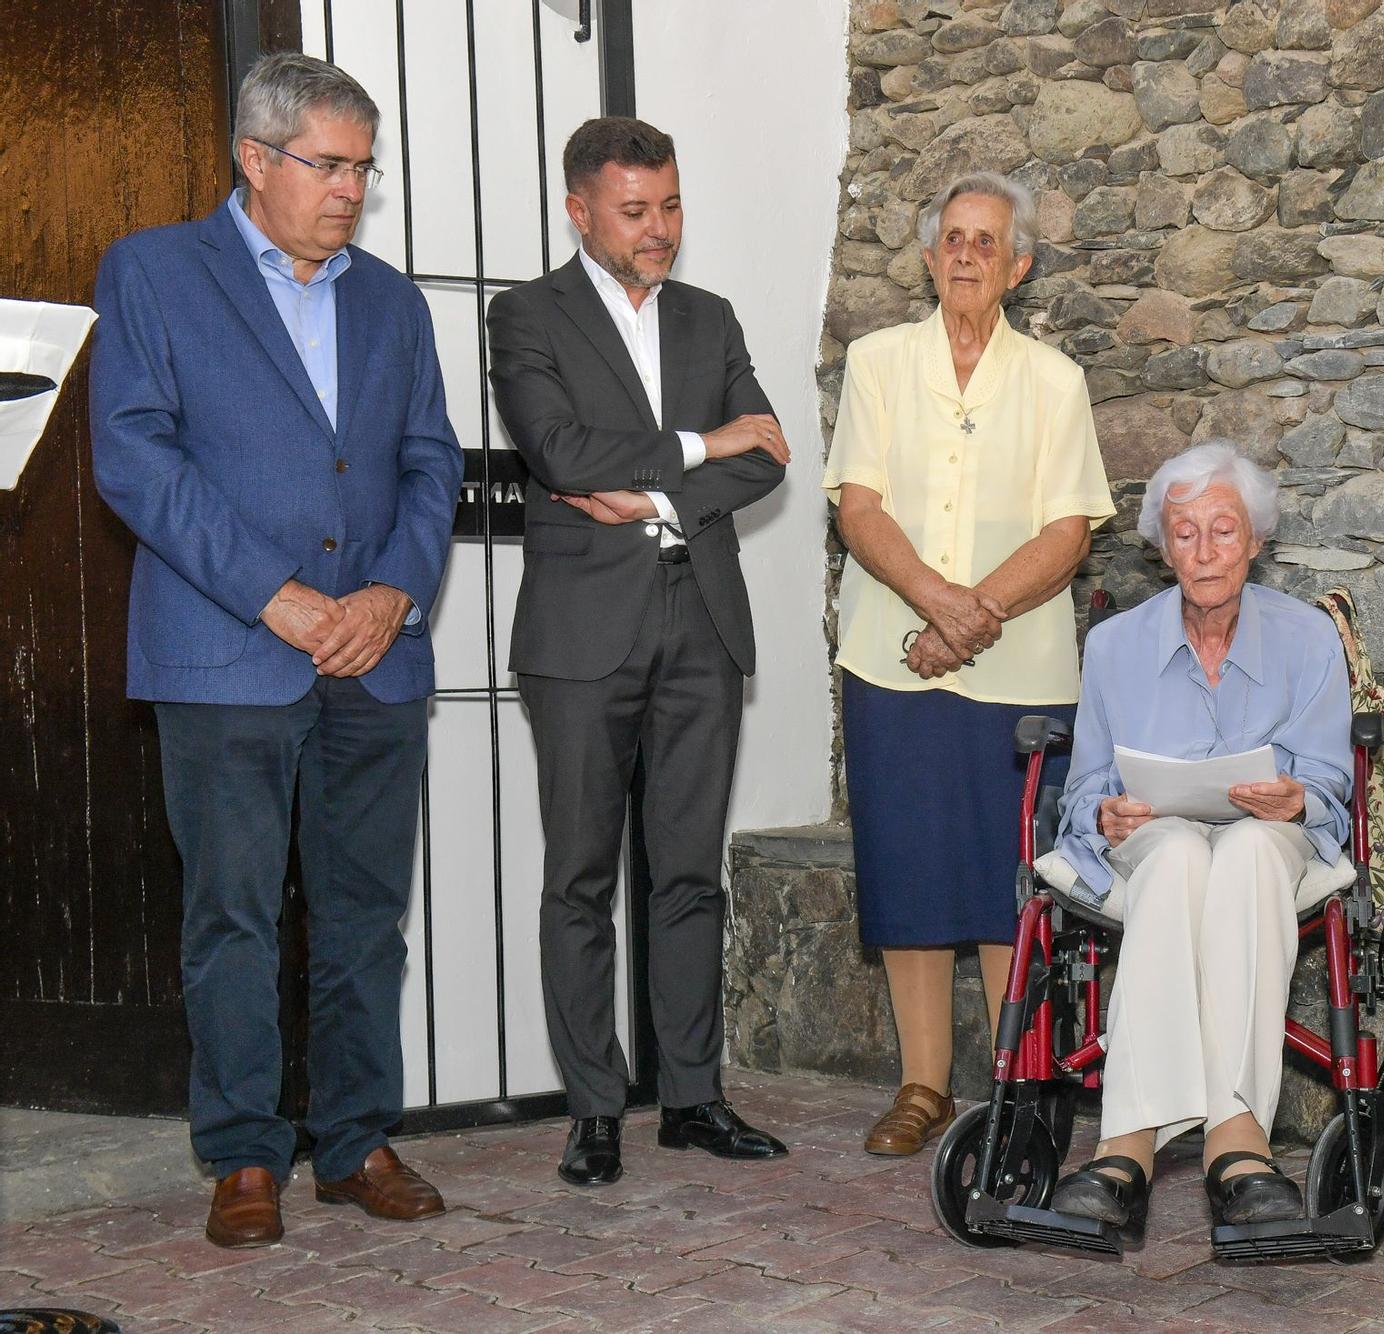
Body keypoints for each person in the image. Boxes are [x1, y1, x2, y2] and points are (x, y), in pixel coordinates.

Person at [89, 53, 462, 1248]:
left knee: (365, 917)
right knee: (234, 917)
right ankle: (245, 1152)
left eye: (363, 166)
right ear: (257, 160)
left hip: (376, 656)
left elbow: (430, 461)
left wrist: (395, 589)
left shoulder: (393, 301)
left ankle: (353, 1141)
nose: (352, 188)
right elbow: (136, 457)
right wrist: (281, 599)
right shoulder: (153, 271)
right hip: (227, 654)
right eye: (330, 164)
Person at [486, 117, 790, 1186]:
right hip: (580, 633)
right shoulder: (525, 314)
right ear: (579, 210)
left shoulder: (709, 318)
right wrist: (705, 445)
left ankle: (694, 1097)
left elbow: (774, 458)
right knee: (580, 876)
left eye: (668, 205)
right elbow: (558, 448)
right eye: (633, 210)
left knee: (689, 874)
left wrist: (653, 488)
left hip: (700, 618)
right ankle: (595, 1109)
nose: (657, 229)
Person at [822, 171, 1113, 1155]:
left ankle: (1015, 1081)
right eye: (951, 237)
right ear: (926, 253)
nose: (964, 254)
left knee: (1009, 880)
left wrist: (973, 612)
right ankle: (920, 1087)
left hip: (1017, 670)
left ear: (1018, 266)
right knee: (907, 873)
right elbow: (857, 506)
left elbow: (1068, 527)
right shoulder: (876, 361)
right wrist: (938, 605)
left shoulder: (1052, 381)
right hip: (890, 655)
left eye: (985, 242)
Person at [1045, 441, 1354, 1239]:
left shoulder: (1309, 638)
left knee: (1246, 853)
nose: (1205, 551)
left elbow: (1328, 780)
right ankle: (1133, 1142)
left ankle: (1233, 1137)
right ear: (1162, 546)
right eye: (1185, 534)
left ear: (1256, 539)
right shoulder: (1115, 646)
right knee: (1180, 853)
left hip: (1267, 838)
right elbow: (1086, 786)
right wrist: (1106, 813)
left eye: (1224, 530)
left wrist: (1295, 799)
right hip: (1156, 840)